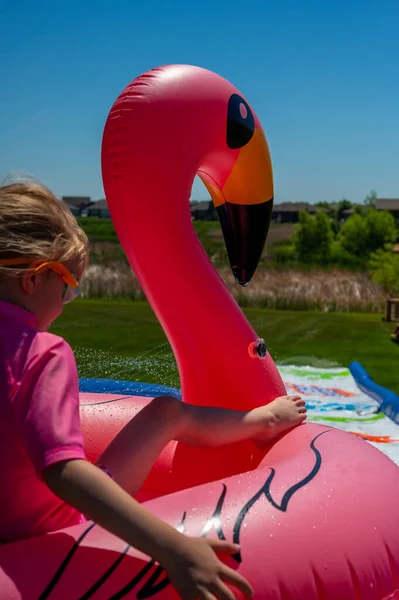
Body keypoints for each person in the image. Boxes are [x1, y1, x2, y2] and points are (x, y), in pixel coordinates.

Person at [0, 182, 307, 599]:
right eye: (69, 287)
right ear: (34, 279)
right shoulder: (40, 353)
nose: (67, 300)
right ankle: (263, 419)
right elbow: (63, 471)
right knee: (167, 412)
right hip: (54, 531)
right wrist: (175, 548)